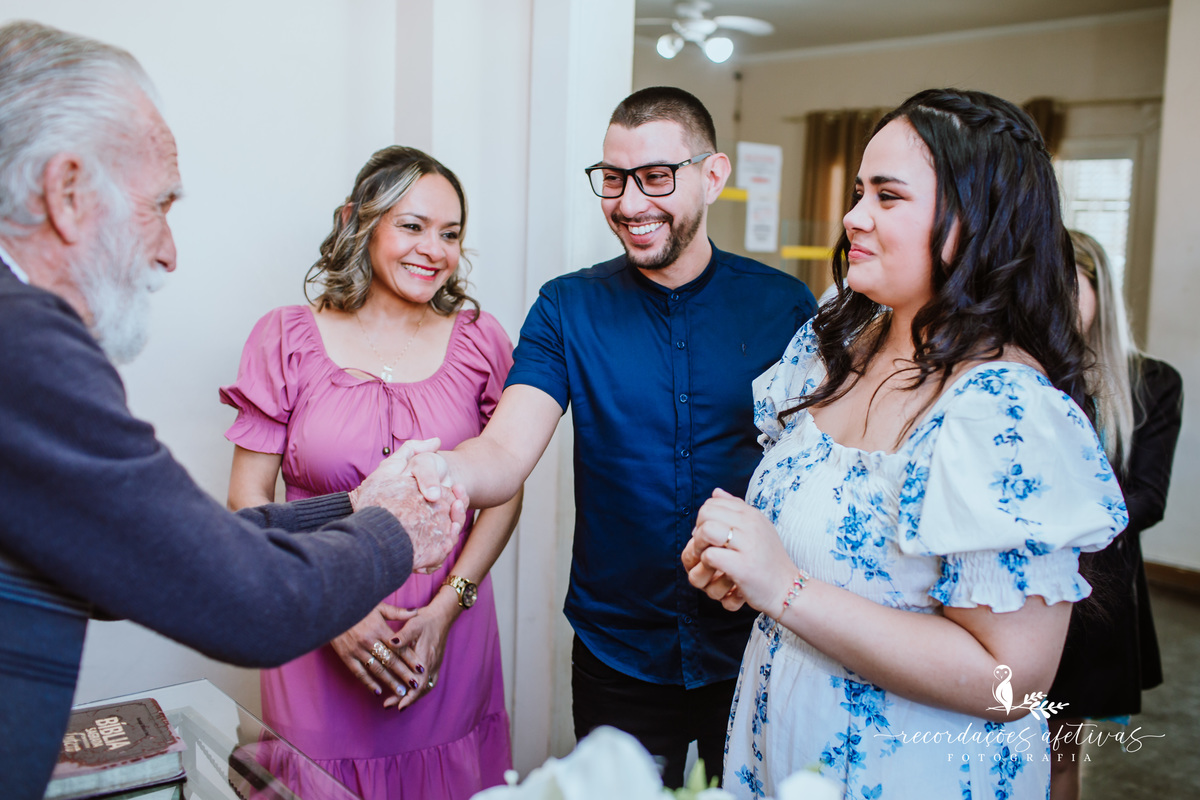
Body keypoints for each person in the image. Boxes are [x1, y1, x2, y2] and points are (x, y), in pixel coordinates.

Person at [0, 22, 465, 798]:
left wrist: (349, 506)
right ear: (69, 190)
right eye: (159, 205)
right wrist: (390, 531)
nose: (169, 252)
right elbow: (246, 604)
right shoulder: (26, 345)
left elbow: (143, 554)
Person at [682, 89, 1130, 799]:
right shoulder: (833, 344)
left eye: (887, 197)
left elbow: (1013, 686)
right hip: (782, 740)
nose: (853, 217)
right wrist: (747, 562)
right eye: (859, 191)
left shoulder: (1004, 411)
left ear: (977, 224)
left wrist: (787, 588)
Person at [406, 87, 818, 787]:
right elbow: (504, 450)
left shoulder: (784, 307)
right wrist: (437, 474)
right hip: (617, 650)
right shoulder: (567, 307)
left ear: (712, 176)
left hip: (754, 642)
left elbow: (815, 471)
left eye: (655, 177)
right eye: (614, 178)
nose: (629, 202)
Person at [221, 146, 520, 800]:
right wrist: (326, 610)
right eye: (412, 226)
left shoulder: (480, 340)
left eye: (450, 233)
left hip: (448, 632)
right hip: (316, 626)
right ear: (360, 221)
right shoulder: (285, 339)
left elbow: (504, 490)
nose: (434, 249)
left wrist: (449, 608)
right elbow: (248, 500)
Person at [1047, 231, 1183, 800]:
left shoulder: (1152, 383)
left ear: (1099, 290)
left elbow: (1147, 498)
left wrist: (1046, 520)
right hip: (1006, 590)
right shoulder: (1023, 375)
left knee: (1057, 755)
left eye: (1066, 286)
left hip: (1092, 595)